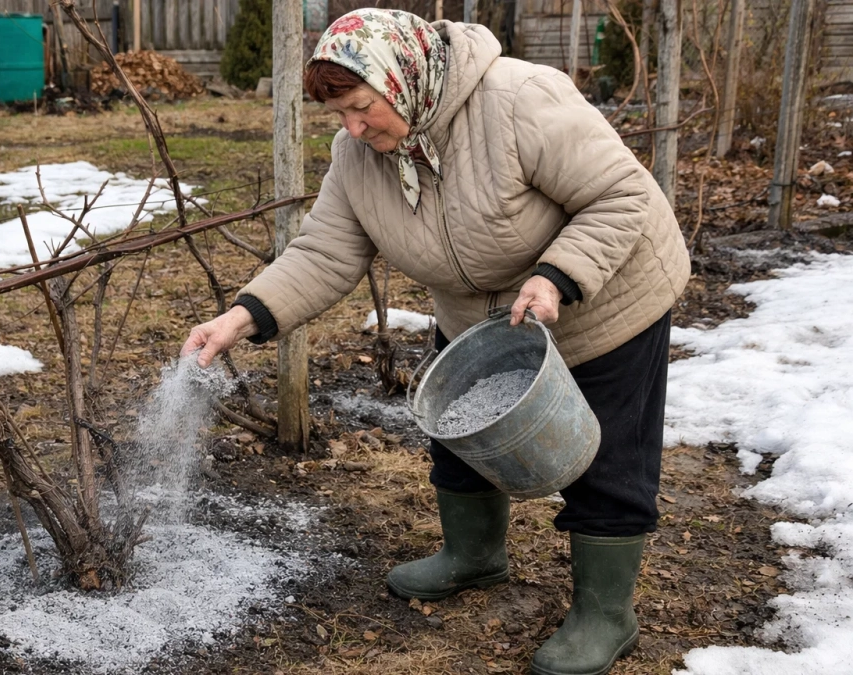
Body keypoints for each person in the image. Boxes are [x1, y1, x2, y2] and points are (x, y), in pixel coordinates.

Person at [181, 8, 689, 675]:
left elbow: (621, 195)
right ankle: (474, 555)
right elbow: (325, 252)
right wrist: (242, 318)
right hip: (484, 316)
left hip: (607, 297)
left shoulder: (518, 100)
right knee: (458, 430)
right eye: (339, 115)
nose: (353, 128)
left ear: (404, 79)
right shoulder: (358, 156)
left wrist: (557, 277)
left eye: (362, 107)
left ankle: (606, 613)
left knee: (607, 455)